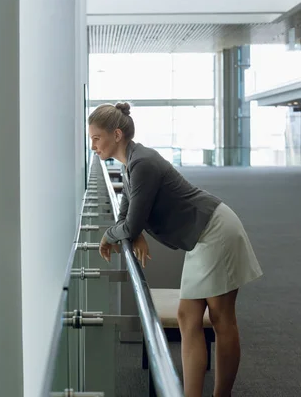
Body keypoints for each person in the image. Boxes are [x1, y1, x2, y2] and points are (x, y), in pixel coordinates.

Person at [88, 102, 263, 397]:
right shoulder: (129, 162)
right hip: (200, 236)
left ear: (116, 134)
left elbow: (128, 226)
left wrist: (113, 235)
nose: (92, 145)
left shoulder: (141, 163)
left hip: (215, 231)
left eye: (95, 138)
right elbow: (127, 217)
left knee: (222, 318)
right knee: (187, 316)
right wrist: (130, 229)